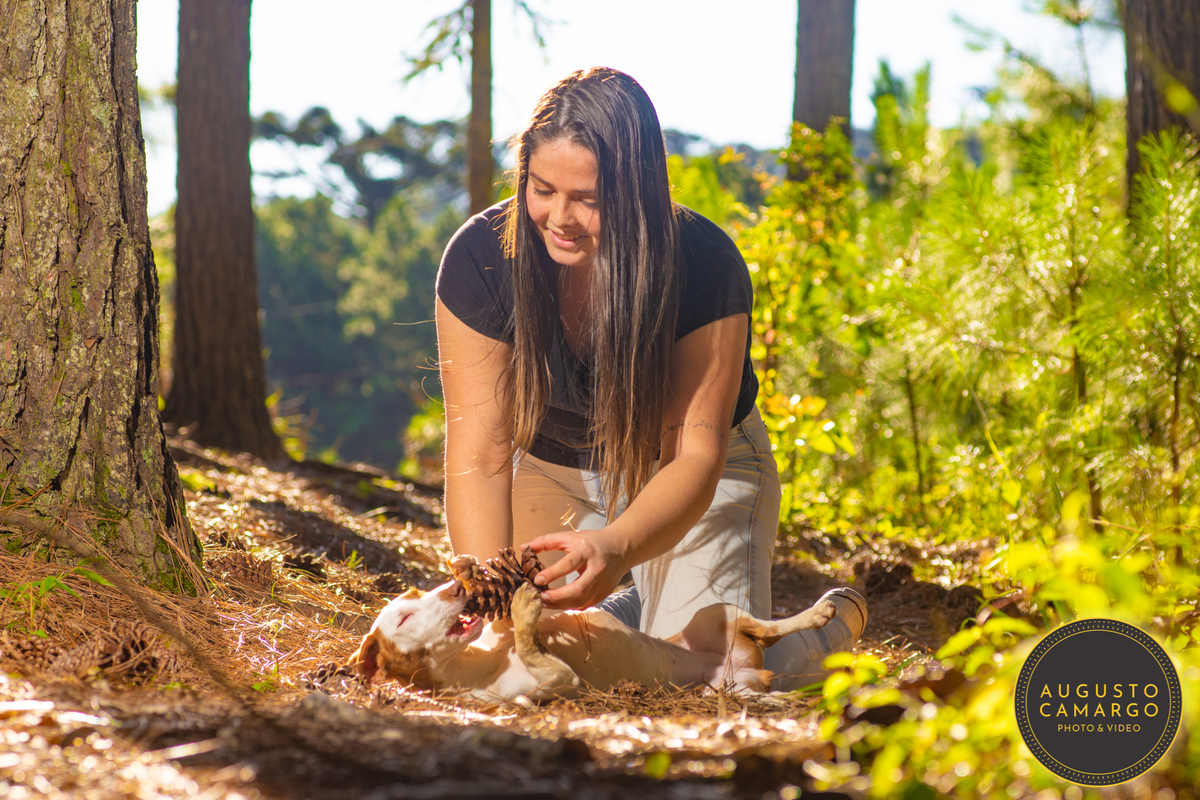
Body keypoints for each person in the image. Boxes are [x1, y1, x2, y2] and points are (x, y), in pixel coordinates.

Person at [434, 66, 865, 690]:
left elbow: (696, 455)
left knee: (713, 681)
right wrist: (487, 601)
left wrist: (616, 546)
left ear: (637, 192)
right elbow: (480, 450)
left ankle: (824, 630)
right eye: (543, 188)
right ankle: (637, 607)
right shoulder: (481, 259)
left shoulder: (704, 266)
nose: (560, 218)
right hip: (551, 468)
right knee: (529, 650)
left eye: (588, 200)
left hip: (690, 474)